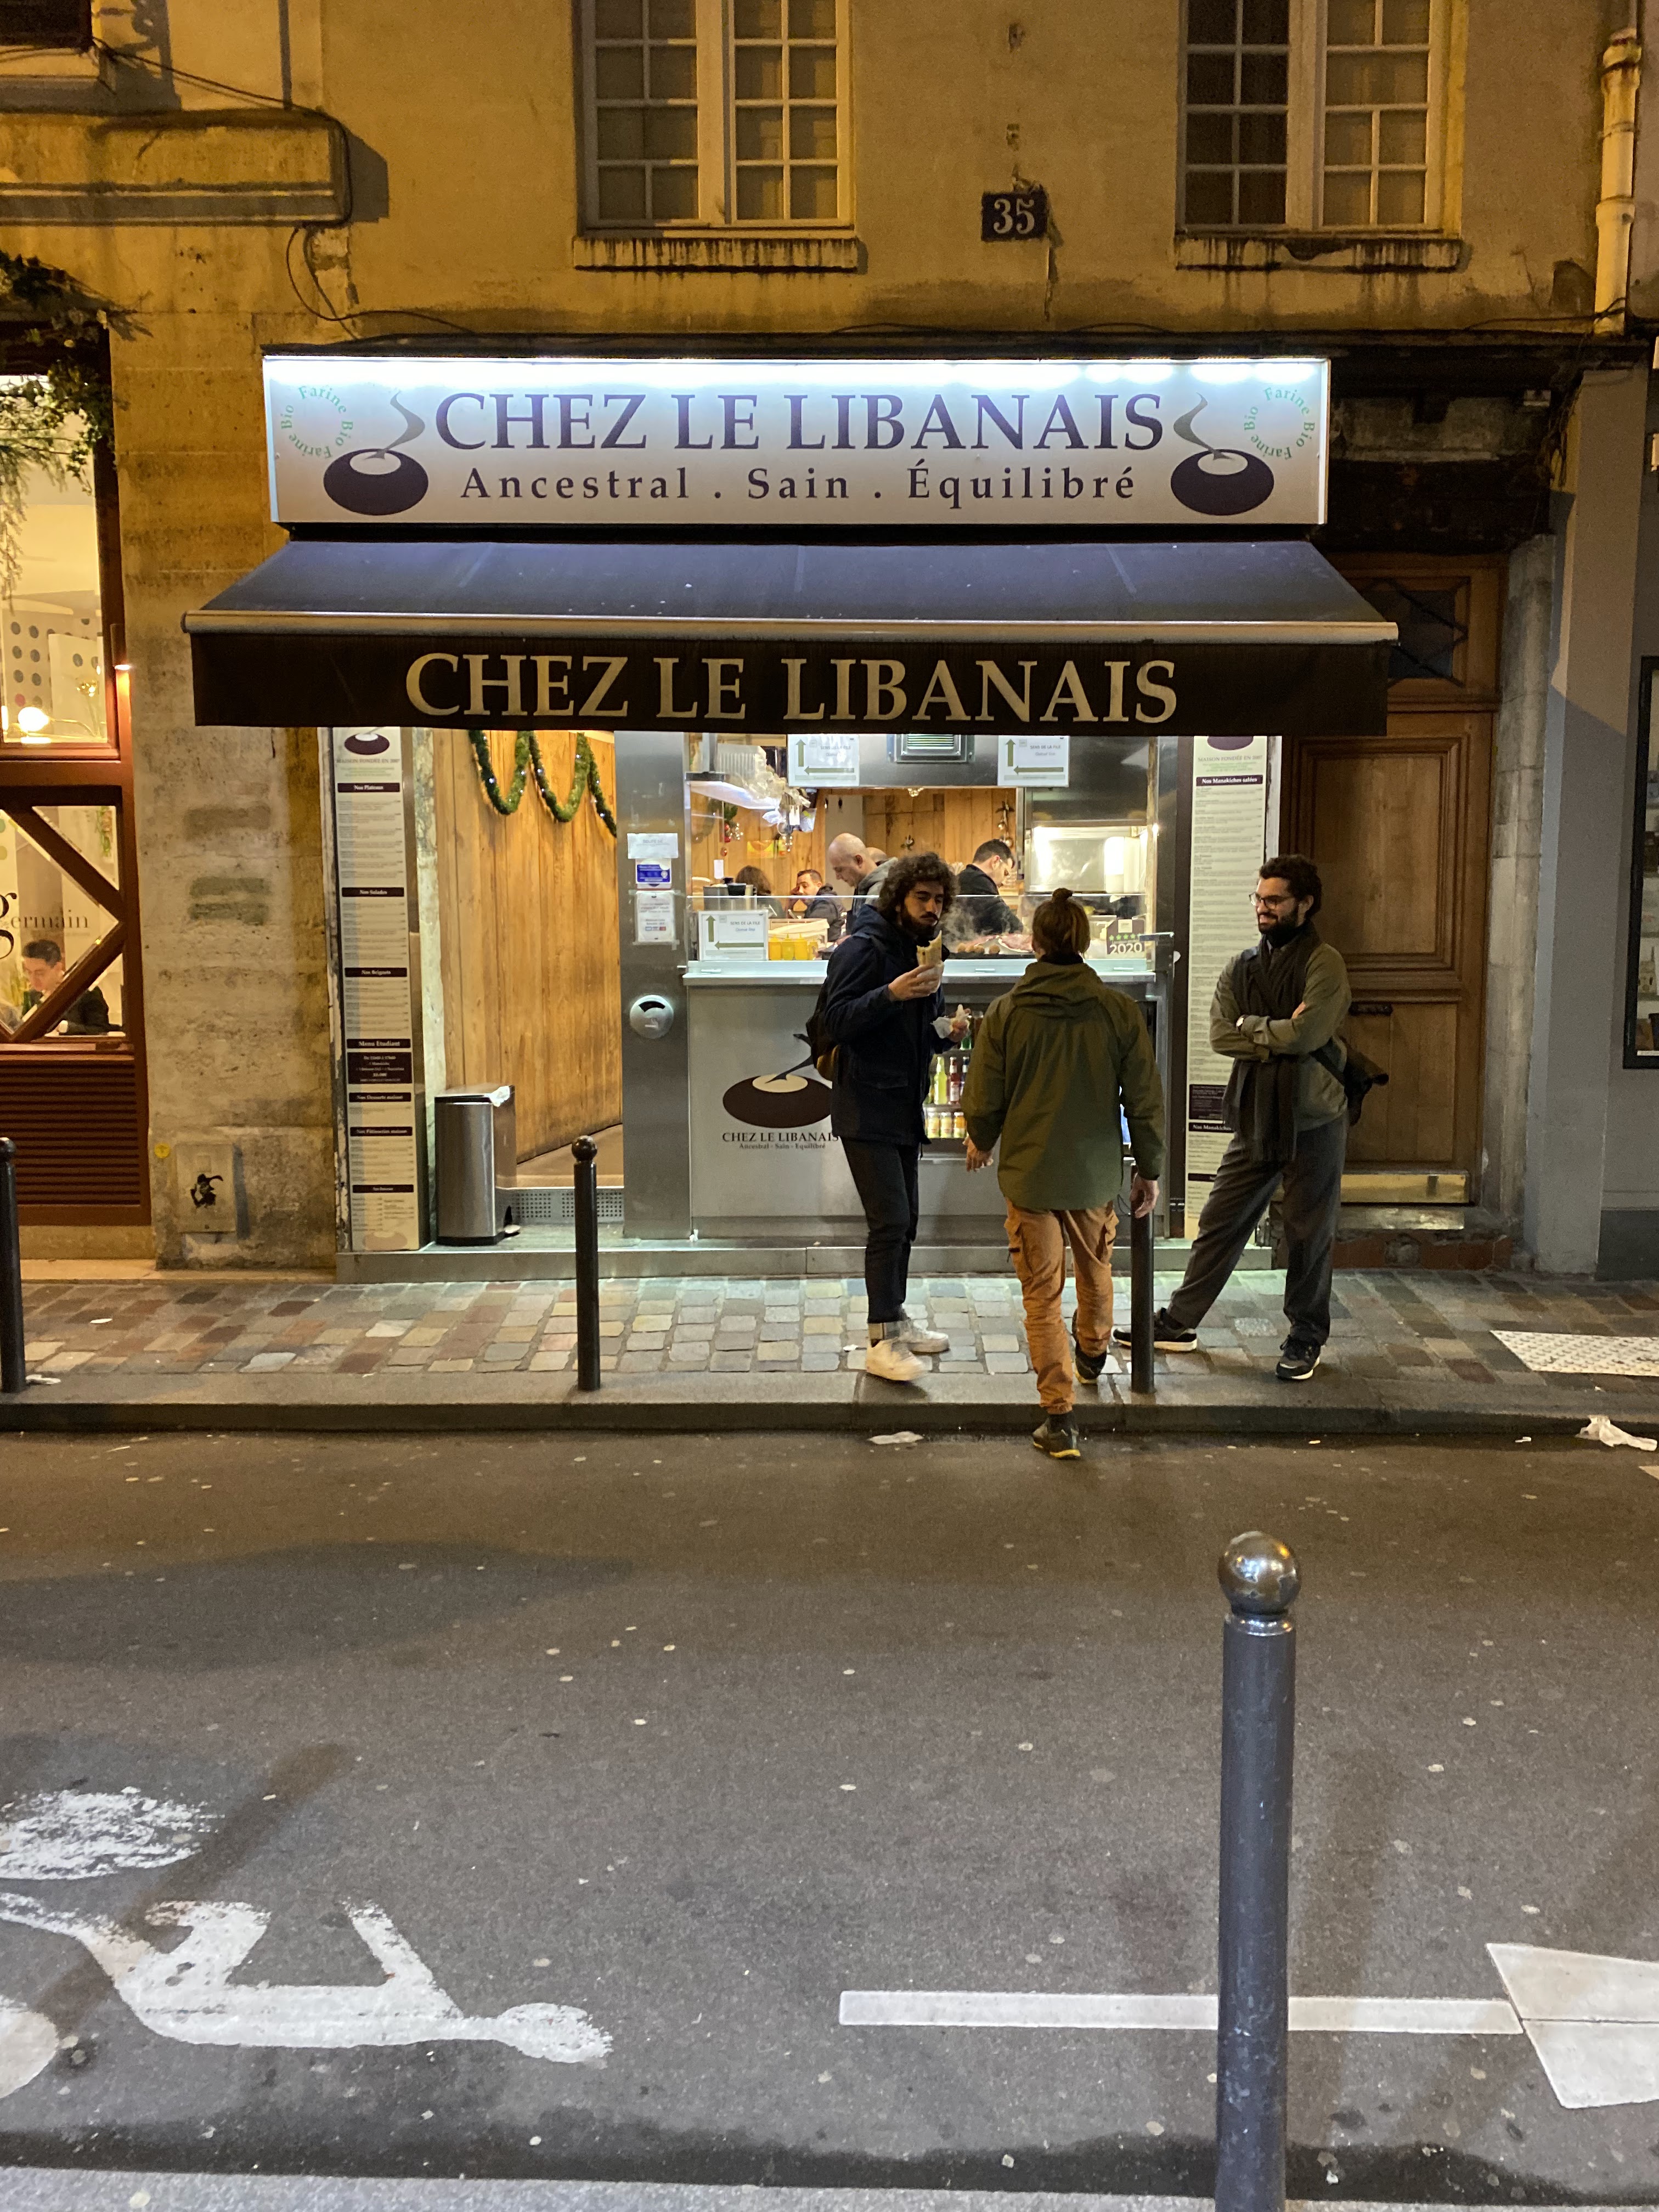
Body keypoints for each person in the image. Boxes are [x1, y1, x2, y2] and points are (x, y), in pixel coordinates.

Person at [1113, 854, 1349, 1384]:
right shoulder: (1243, 966)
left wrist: (1253, 1028)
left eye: (1275, 900)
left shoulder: (1325, 964)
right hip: (1255, 1113)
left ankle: (1306, 1335)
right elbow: (1222, 1034)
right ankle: (1180, 1322)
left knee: (1309, 1233)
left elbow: (1309, 1035)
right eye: (1259, 899)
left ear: (1305, 904)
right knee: (1221, 1219)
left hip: (1313, 1117)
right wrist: (1274, 1032)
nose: (1263, 909)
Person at [962, 887, 1164, 1459]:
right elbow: (1144, 1098)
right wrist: (1149, 1168)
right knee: (1096, 1271)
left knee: (1041, 1295)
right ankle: (1093, 1352)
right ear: (1085, 941)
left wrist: (982, 1137)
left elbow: (984, 1094)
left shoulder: (1008, 1012)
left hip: (1031, 1175)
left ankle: (1059, 1417)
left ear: (1036, 943)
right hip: (1093, 1173)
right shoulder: (1117, 1011)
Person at [819, 851, 965, 1384]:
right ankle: (881, 1340)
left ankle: (896, 1320)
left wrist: (945, 1033)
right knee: (890, 1222)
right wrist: (890, 993)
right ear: (898, 897)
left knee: (907, 1222)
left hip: (904, 1102)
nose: (932, 908)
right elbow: (834, 1020)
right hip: (865, 1103)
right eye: (922, 898)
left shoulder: (925, 949)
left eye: (939, 900)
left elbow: (916, 1032)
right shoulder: (864, 947)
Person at [19, 936, 110, 1035]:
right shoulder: (33, 995)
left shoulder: (86, 992)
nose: (33, 979)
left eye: (40, 973)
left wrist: (66, 1027)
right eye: (29, 972)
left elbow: (102, 1031)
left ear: (58, 967)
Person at [946, 838, 1026, 949]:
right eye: (1005, 873)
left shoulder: (966, 877)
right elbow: (1013, 926)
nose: (1004, 882)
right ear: (995, 862)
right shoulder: (978, 881)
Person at [789, 866, 844, 938]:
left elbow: (806, 932)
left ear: (819, 885)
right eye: (798, 888)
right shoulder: (817, 902)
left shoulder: (825, 903)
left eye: (805, 886)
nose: (800, 891)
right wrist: (790, 905)